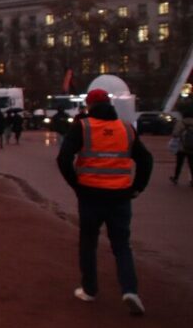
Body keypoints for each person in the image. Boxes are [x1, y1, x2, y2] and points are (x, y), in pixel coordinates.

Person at [57, 88, 153, 316]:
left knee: (88, 242)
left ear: (89, 106)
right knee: (121, 245)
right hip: (120, 196)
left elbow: (63, 158)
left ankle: (90, 289)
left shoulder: (83, 127)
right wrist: (137, 187)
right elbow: (146, 159)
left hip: (90, 194)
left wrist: (76, 184)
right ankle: (130, 290)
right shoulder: (126, 129)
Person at [169, 103, 193, 186]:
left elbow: (175, 134)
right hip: (192, 148)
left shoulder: (181, 123)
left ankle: (176, 178)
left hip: (181, 147)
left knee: (179, 164)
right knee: (191, 164)